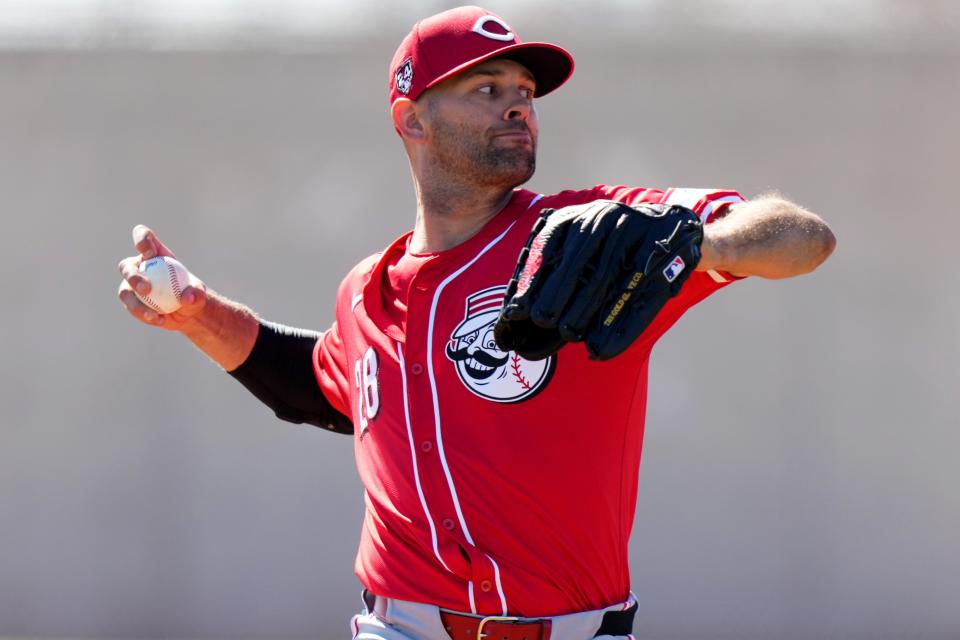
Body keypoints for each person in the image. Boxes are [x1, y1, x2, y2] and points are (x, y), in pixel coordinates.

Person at [117, 6, 835, 640]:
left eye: (524, 91)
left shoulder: (583, 238)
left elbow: (803, 236)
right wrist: (196, 314)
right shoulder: (367, 290)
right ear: (411, 118)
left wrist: (696, 244)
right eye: (486, 89)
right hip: (399, 623)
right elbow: (316, 385)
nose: (518, 106)